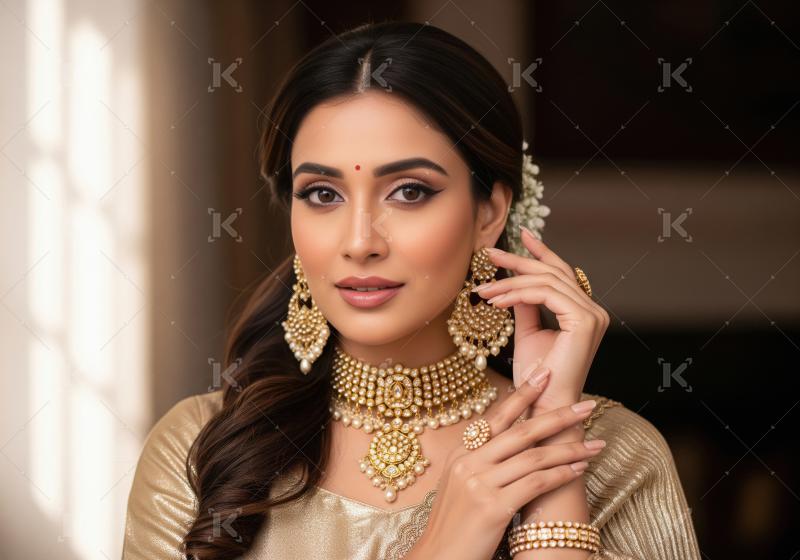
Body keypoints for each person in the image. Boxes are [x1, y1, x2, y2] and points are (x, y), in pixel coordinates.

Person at [122, 21, 701, 560]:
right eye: (323, 194)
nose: (359, 241)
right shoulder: (203, 449)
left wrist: (549, 432)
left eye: (408, 191)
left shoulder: (614, 455)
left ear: (489, 212)